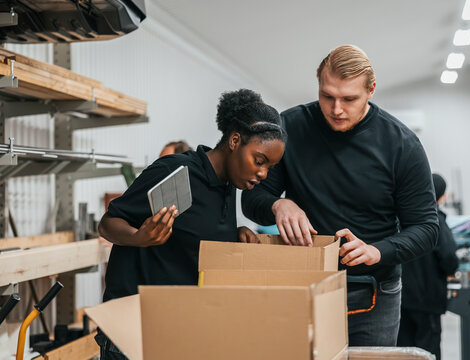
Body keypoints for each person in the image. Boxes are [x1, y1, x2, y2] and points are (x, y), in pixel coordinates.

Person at [241, 45, 439, 346]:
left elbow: (426, 229)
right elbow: (252, 199)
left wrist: (378, 250)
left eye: (349, 99)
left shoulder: (402, 145)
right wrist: (278, 203)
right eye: (327, 96)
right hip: (303, 285)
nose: (336, 109)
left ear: (371, 90)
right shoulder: (289, 127)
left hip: (375, 294)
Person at [95, 89, 286, 359]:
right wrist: (139, 236)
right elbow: (108, 223)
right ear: (234, 140)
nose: (263, 174)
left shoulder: (228, 186)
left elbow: (190, 233)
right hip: (132, 337)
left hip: (176, 334)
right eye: (259, 161)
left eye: (270, 167)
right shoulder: (178, 172)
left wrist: (233, 234)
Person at [398, 173, 458, 359]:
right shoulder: (435, 220)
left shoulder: (402, 216)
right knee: (427, 352)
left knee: (403, 352)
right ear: (440, 195)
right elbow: (449, 258)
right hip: (427, 300)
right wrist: (451, 270)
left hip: (401, 298)